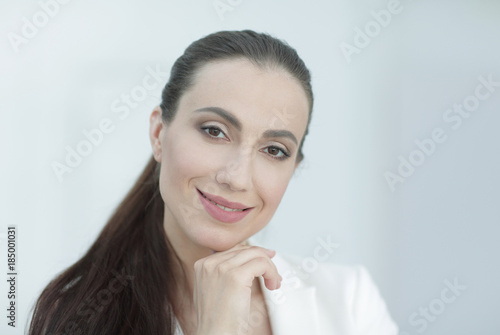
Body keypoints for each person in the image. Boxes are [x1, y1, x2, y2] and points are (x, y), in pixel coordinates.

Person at [28, 30, 399, 335]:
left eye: (274, 150)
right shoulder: (76, 318)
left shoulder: (350, 303)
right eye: (214, 131)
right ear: (159, 133)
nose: (236, 177)